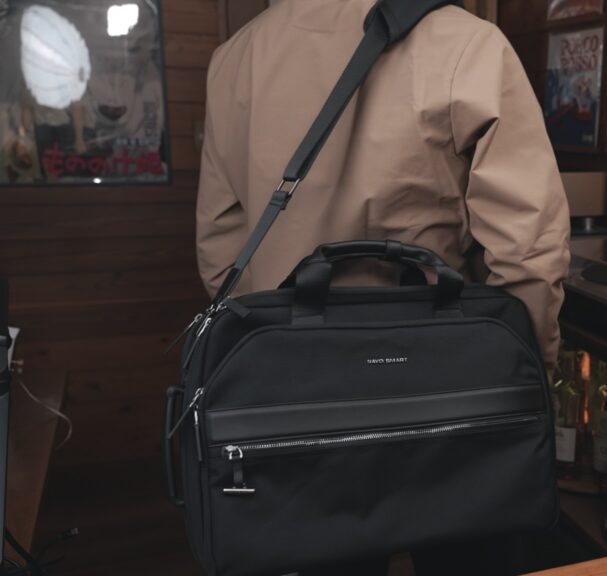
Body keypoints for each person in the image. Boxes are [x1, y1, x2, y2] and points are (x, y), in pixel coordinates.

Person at [195, 1, 571, 574]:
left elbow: (221, 251)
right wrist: (524, 384)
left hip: (294, 396)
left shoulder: (235, 57)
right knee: (467, 554)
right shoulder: (465, 43)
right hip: (446, 390)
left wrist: (265, 365)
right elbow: (529, 252)